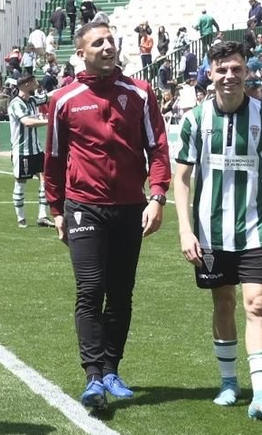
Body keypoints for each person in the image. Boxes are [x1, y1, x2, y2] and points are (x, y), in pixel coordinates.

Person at [44, 21, 171, 412]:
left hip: (131, 207)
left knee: (120, 293)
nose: (107, 47)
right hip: (83, 206)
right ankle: (93, 376)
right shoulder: (63, 99)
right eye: (98, 42)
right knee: (90, 288)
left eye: (111, 41)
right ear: (81, 52)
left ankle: (112, 369)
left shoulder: (140, 92)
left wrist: (157, 197)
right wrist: (56, 208)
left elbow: (159, 147)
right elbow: (53, 157)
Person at [172, 41, 262, 422]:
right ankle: (229, 383)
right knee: (223, 303)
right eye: (222, 70)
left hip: (257, 229)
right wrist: (184, 230)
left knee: (257, 305)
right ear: (210, 74)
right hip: (210, 234)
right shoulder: (195, 120)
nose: (229, 76)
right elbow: (182, 177)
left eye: (236, 69)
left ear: (247, 72)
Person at [8, 74, 53, 228]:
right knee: (21, 183)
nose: (36, 83)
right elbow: (27, 122)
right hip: (23, 151)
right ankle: (21, 219)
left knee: (45, 179)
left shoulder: (33, 100)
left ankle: (42, 216)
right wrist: (50, 121)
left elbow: (49, 96)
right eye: (33, 81)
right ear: (26, 84)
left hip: (36, 149)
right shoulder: (16, 103)